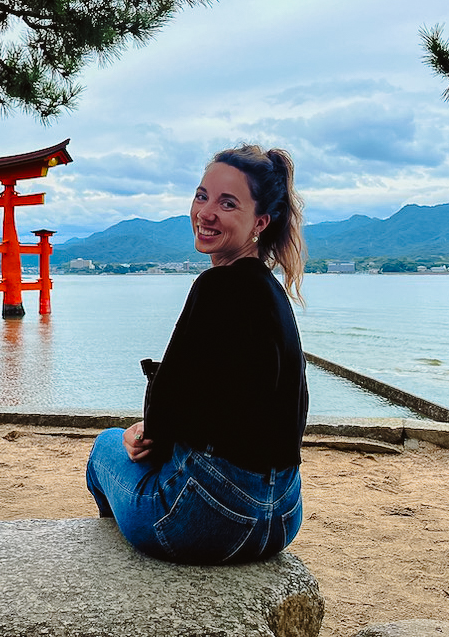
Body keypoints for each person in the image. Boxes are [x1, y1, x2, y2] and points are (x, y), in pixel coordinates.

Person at [85, 144, 309, 565]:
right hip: (281, 517)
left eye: (227, 203)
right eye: (202, 195)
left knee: (105, 448)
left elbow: (163, 415)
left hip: (209, 519)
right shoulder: (274, 295)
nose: (206, 212)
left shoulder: (216, 287)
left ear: (260, 221)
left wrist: (142, 432)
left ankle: (119, 572)